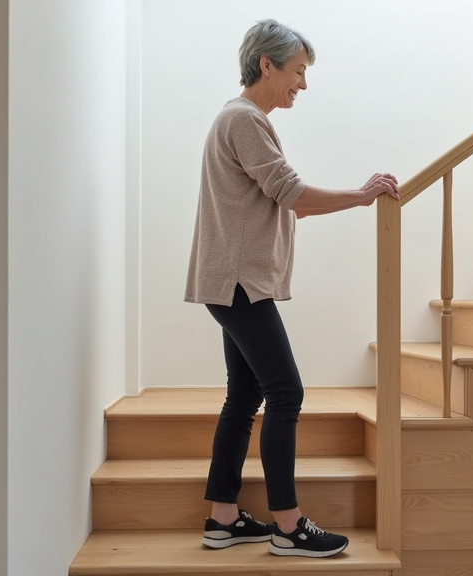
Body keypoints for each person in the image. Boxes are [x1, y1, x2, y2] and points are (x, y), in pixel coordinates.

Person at [184, 19, 399, 559]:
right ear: (267, 64)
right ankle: (289, 526)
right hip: (238, 283)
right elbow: (293, 195)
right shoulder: (245, 120)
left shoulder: (238, 118)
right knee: (286, 393)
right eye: (298, 71)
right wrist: (361, 194)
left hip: (230, 281)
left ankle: (223, 518)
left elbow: (280, 195)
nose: (302, 84)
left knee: (246, 395)